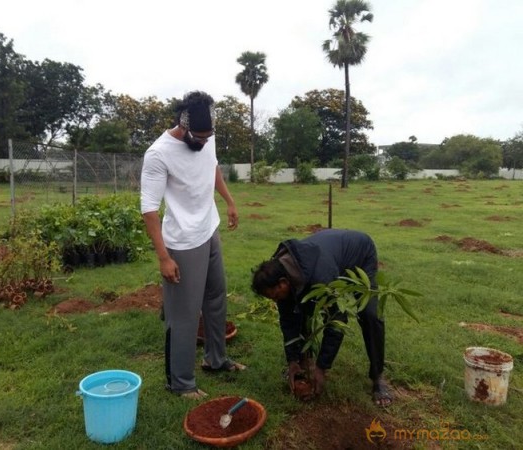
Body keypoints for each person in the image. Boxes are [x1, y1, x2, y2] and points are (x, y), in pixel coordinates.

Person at [140, 90, 245, 400]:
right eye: (197, 137)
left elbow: (211, 167)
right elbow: (148, 208)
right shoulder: (159, 153)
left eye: (207, 136)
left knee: (216, 298)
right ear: (182, 126)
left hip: (208, 229)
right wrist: (163, 258)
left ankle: (216, 359)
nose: (202, 142)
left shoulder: (206, 138)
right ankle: (180, 382)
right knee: (184, 314)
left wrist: (229, 201)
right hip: (182, 243)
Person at [250, 228, 392, 406]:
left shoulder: (321, 278)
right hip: (332, 255)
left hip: (360, 255)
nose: (276, 301)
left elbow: (336, 322)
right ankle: (303, 361)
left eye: (276, 296)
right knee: (298, 307)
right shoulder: (280, 273)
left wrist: (322, 368)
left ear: (283, 283)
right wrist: (292, 360)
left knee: (370, 314)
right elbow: (288, 319)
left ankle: (378, 376)